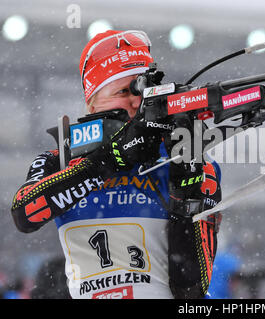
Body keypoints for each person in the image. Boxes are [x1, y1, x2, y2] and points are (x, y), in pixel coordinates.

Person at [10, 30, 222, 299]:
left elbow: (190, 289)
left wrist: (187, 190)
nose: (136, 101)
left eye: (143, 90)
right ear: (92, 103)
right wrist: (109, 160)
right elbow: (25, 214)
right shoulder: (59, 159)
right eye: (123, 91)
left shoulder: (182, 156)